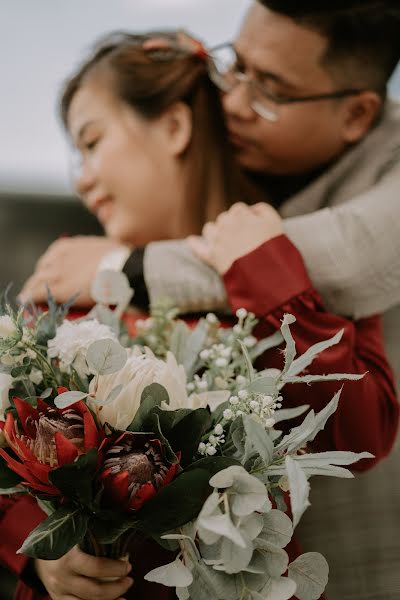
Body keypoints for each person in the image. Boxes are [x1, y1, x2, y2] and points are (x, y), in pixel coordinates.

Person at [10, 3, 399, 597]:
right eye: (235, 68)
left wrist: (264, 276)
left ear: (173, 126)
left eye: (92, 142)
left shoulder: (281, 259)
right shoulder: (67, 282)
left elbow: (364, 435)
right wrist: (35, 547)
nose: (82, 178)